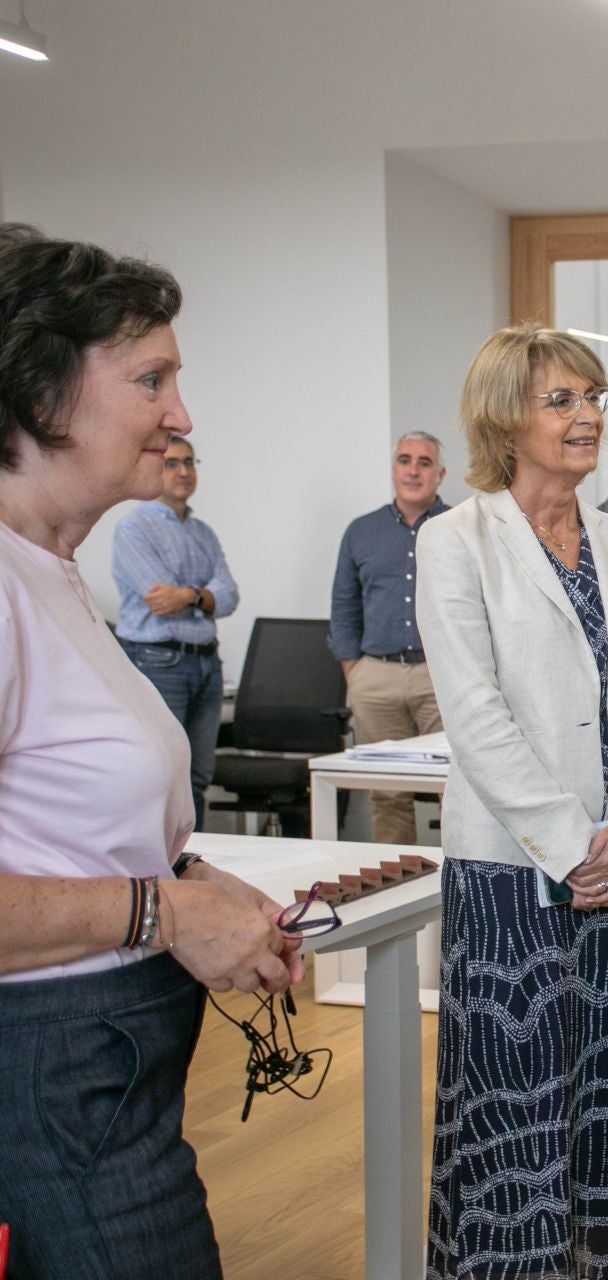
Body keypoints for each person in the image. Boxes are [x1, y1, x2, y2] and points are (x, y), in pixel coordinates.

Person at [0, 222, 303, 1280]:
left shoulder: (53, 571)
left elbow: (62, 822)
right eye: (150, 378)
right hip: (55, 1070)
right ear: (41, 393)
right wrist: (165, 910)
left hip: (108, 1065)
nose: (180, 415)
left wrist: (193, 881)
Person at [416, 324, 608, 1280]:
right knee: (513, 1102)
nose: (587, 418)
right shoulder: (455, 541)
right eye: (561, 400)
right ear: (504, 417)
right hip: (511, 870)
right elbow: (476, 713)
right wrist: (576, 845)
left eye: (594, 398)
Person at [110, 432, 239, 829]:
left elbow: (230, 596)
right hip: (158, 662)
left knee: (197, 778)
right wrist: (204, 596)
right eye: (172, 463)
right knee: (163, 777)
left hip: (206, 665)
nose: (183, 471)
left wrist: (189, 595)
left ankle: (192, 867)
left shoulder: (204, 533)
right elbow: (158, 599)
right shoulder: (133, 528)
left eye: (189, 462)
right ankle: (163, 879)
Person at [327, 431, 450, 843]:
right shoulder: (361, 531)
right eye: (404, 460)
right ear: (393, 469)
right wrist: (354, 670)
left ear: (440, 474)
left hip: (442, 677)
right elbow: (344, 606)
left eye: (424, 462)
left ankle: (464, 893)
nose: (413, 470)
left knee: (459, 790)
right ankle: (401, 893)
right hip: (376, 676)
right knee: (387, 792)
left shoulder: (460, 528)